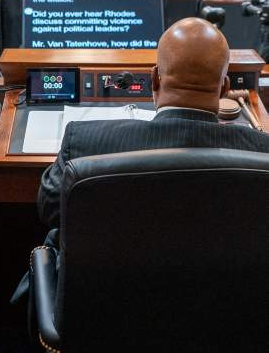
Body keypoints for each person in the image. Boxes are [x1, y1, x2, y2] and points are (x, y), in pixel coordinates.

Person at [37, 17, 269, 241]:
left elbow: (50, 208)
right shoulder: (262, 152)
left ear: (154, 80)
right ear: (224, 89)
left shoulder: (83, 143)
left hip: (105, 281)